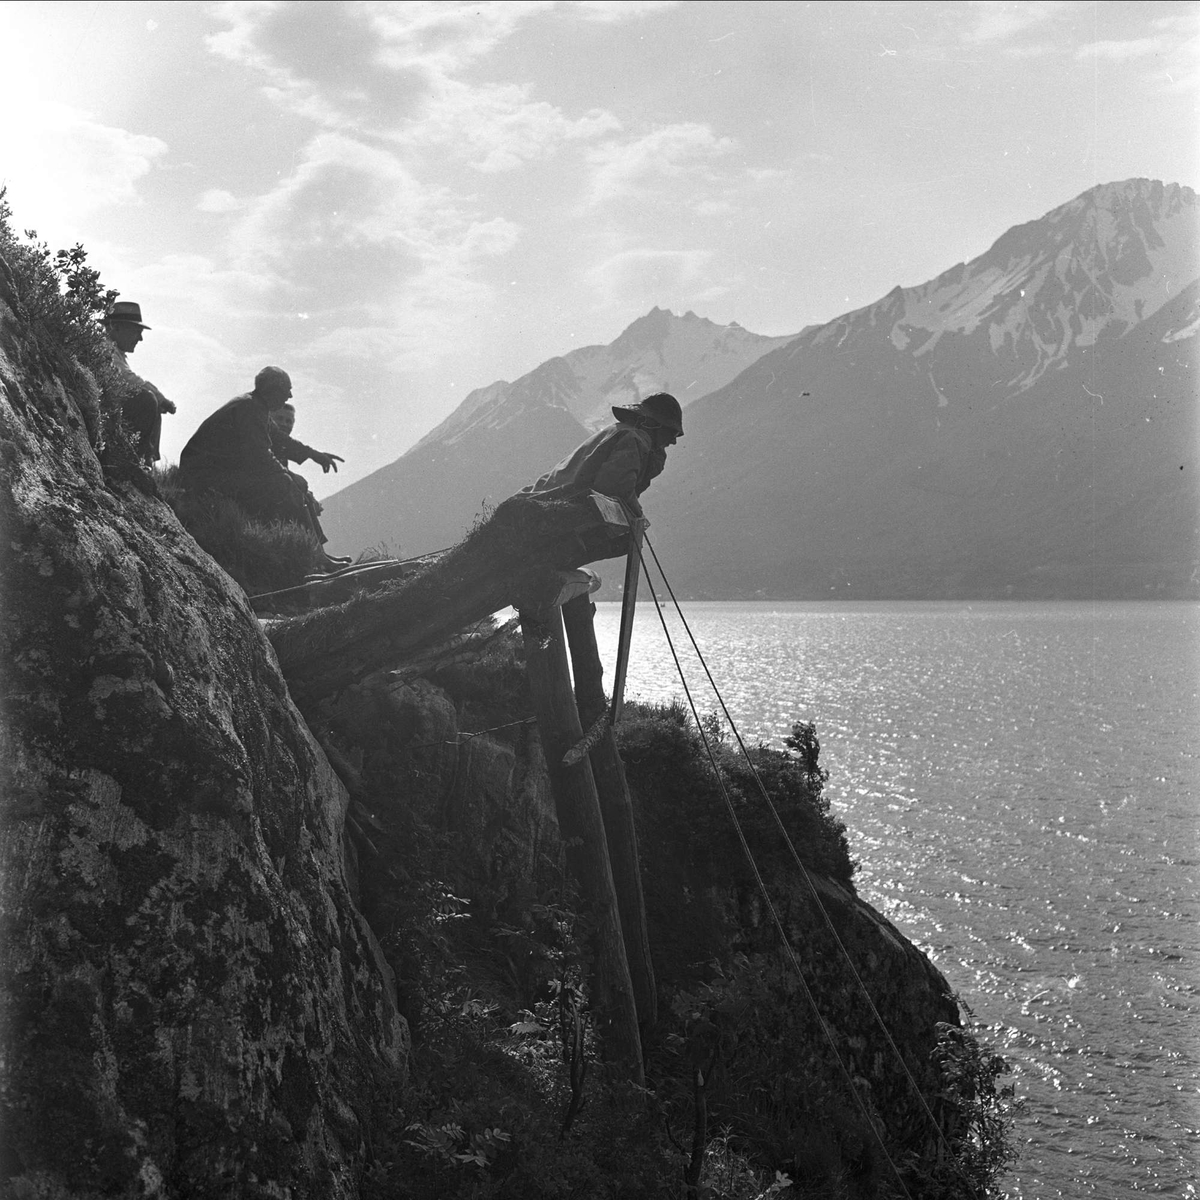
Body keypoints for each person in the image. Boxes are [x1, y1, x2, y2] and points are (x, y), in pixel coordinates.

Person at [179, 366, 331, 553]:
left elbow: (281, 440)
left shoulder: (255, 406)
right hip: (204, 478)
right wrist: (289, 477)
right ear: (272, 390)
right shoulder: (250, 408)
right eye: (286, 390)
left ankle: (318, 553)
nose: (289, 396)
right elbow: (259, 454)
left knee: (291, 484)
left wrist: (315, 455)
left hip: (211, 474)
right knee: (285, 484)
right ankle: (312, 555)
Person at [521, 392, 683, 518]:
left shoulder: (621, 431)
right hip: (544, 505)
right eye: (672, 433)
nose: (673, 441)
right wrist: (638, 514)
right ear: (653, 424)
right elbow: (615, 488)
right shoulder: (636, 440)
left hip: (534, 500)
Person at [269, 402, 350, 565]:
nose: (284, 424)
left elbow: (289, 454)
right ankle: (318, 555)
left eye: (289, 421)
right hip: (261, 495)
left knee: (303, 495)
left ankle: (320, 552)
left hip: (274, 492)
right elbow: (269, 467)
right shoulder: (268, 439)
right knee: (300, 495)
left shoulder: (280, 442)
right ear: (270, 419)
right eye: (280, 419)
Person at [103, 300, 176, 463]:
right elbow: (125, 378)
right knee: (147, 399)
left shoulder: (115, 352)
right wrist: (158, 396)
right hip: (105, 414)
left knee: (151, 400)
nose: (140, 338)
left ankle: (145, 461)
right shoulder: (105, 348)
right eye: (136, 331)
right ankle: (137, 461)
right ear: (116, 327)